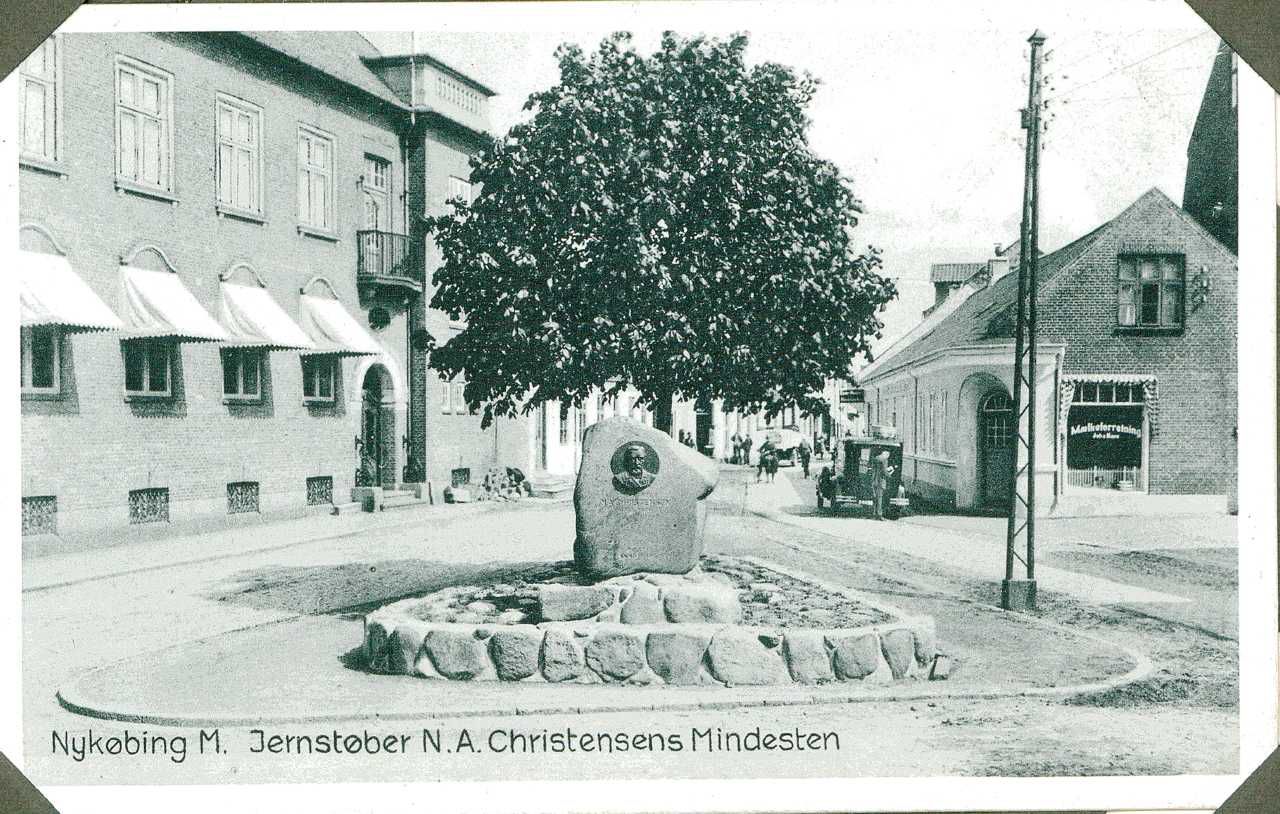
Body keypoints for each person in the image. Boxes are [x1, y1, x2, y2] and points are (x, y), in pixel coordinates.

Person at [871, 449, 894, 520]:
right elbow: (884, 471)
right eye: (888, 456)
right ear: (886, 455)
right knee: (880, 498)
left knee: (875, 498)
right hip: (881, 481)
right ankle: (879, 515)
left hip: (874, 480)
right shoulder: (884, 460)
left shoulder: (876, 458)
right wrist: (890, 475)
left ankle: (874, 514)